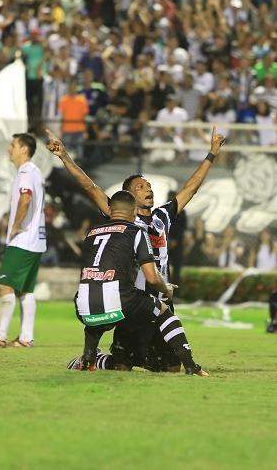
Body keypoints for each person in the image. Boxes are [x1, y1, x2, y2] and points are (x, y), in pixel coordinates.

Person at [47, 125, 225, 372]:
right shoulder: (122, 218)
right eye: (141, 187)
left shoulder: (163, 217)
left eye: (149, 185)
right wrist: (65, 157)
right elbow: (90, 187)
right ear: (128, 196)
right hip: (132, 298)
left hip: (160, 297)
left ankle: (118, 358)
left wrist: (212, 153)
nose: (148, 189)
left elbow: (191, 188)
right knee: (121, 366)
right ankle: (94, 359)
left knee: (170, 369)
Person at [71, 190, 207, 376]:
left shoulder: (92, 232)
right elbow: (151, 277)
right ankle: (191, 366)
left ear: (110, 209)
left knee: (99, 315)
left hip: (83, 306)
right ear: (134, 211)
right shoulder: (136, 231)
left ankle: (88, 358)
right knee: (163, 310)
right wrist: (165, 288)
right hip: (121, 302)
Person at [0, 133, 46, 348]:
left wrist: (15, 225)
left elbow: (25, 199)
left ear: (24, 149)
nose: (9, 149)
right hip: (36, 240)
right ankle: (26, 338)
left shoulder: (25, 172)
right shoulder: (35, 172)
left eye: (13, 145)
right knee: (26, 289)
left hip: (23, 240)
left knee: (4, 285)